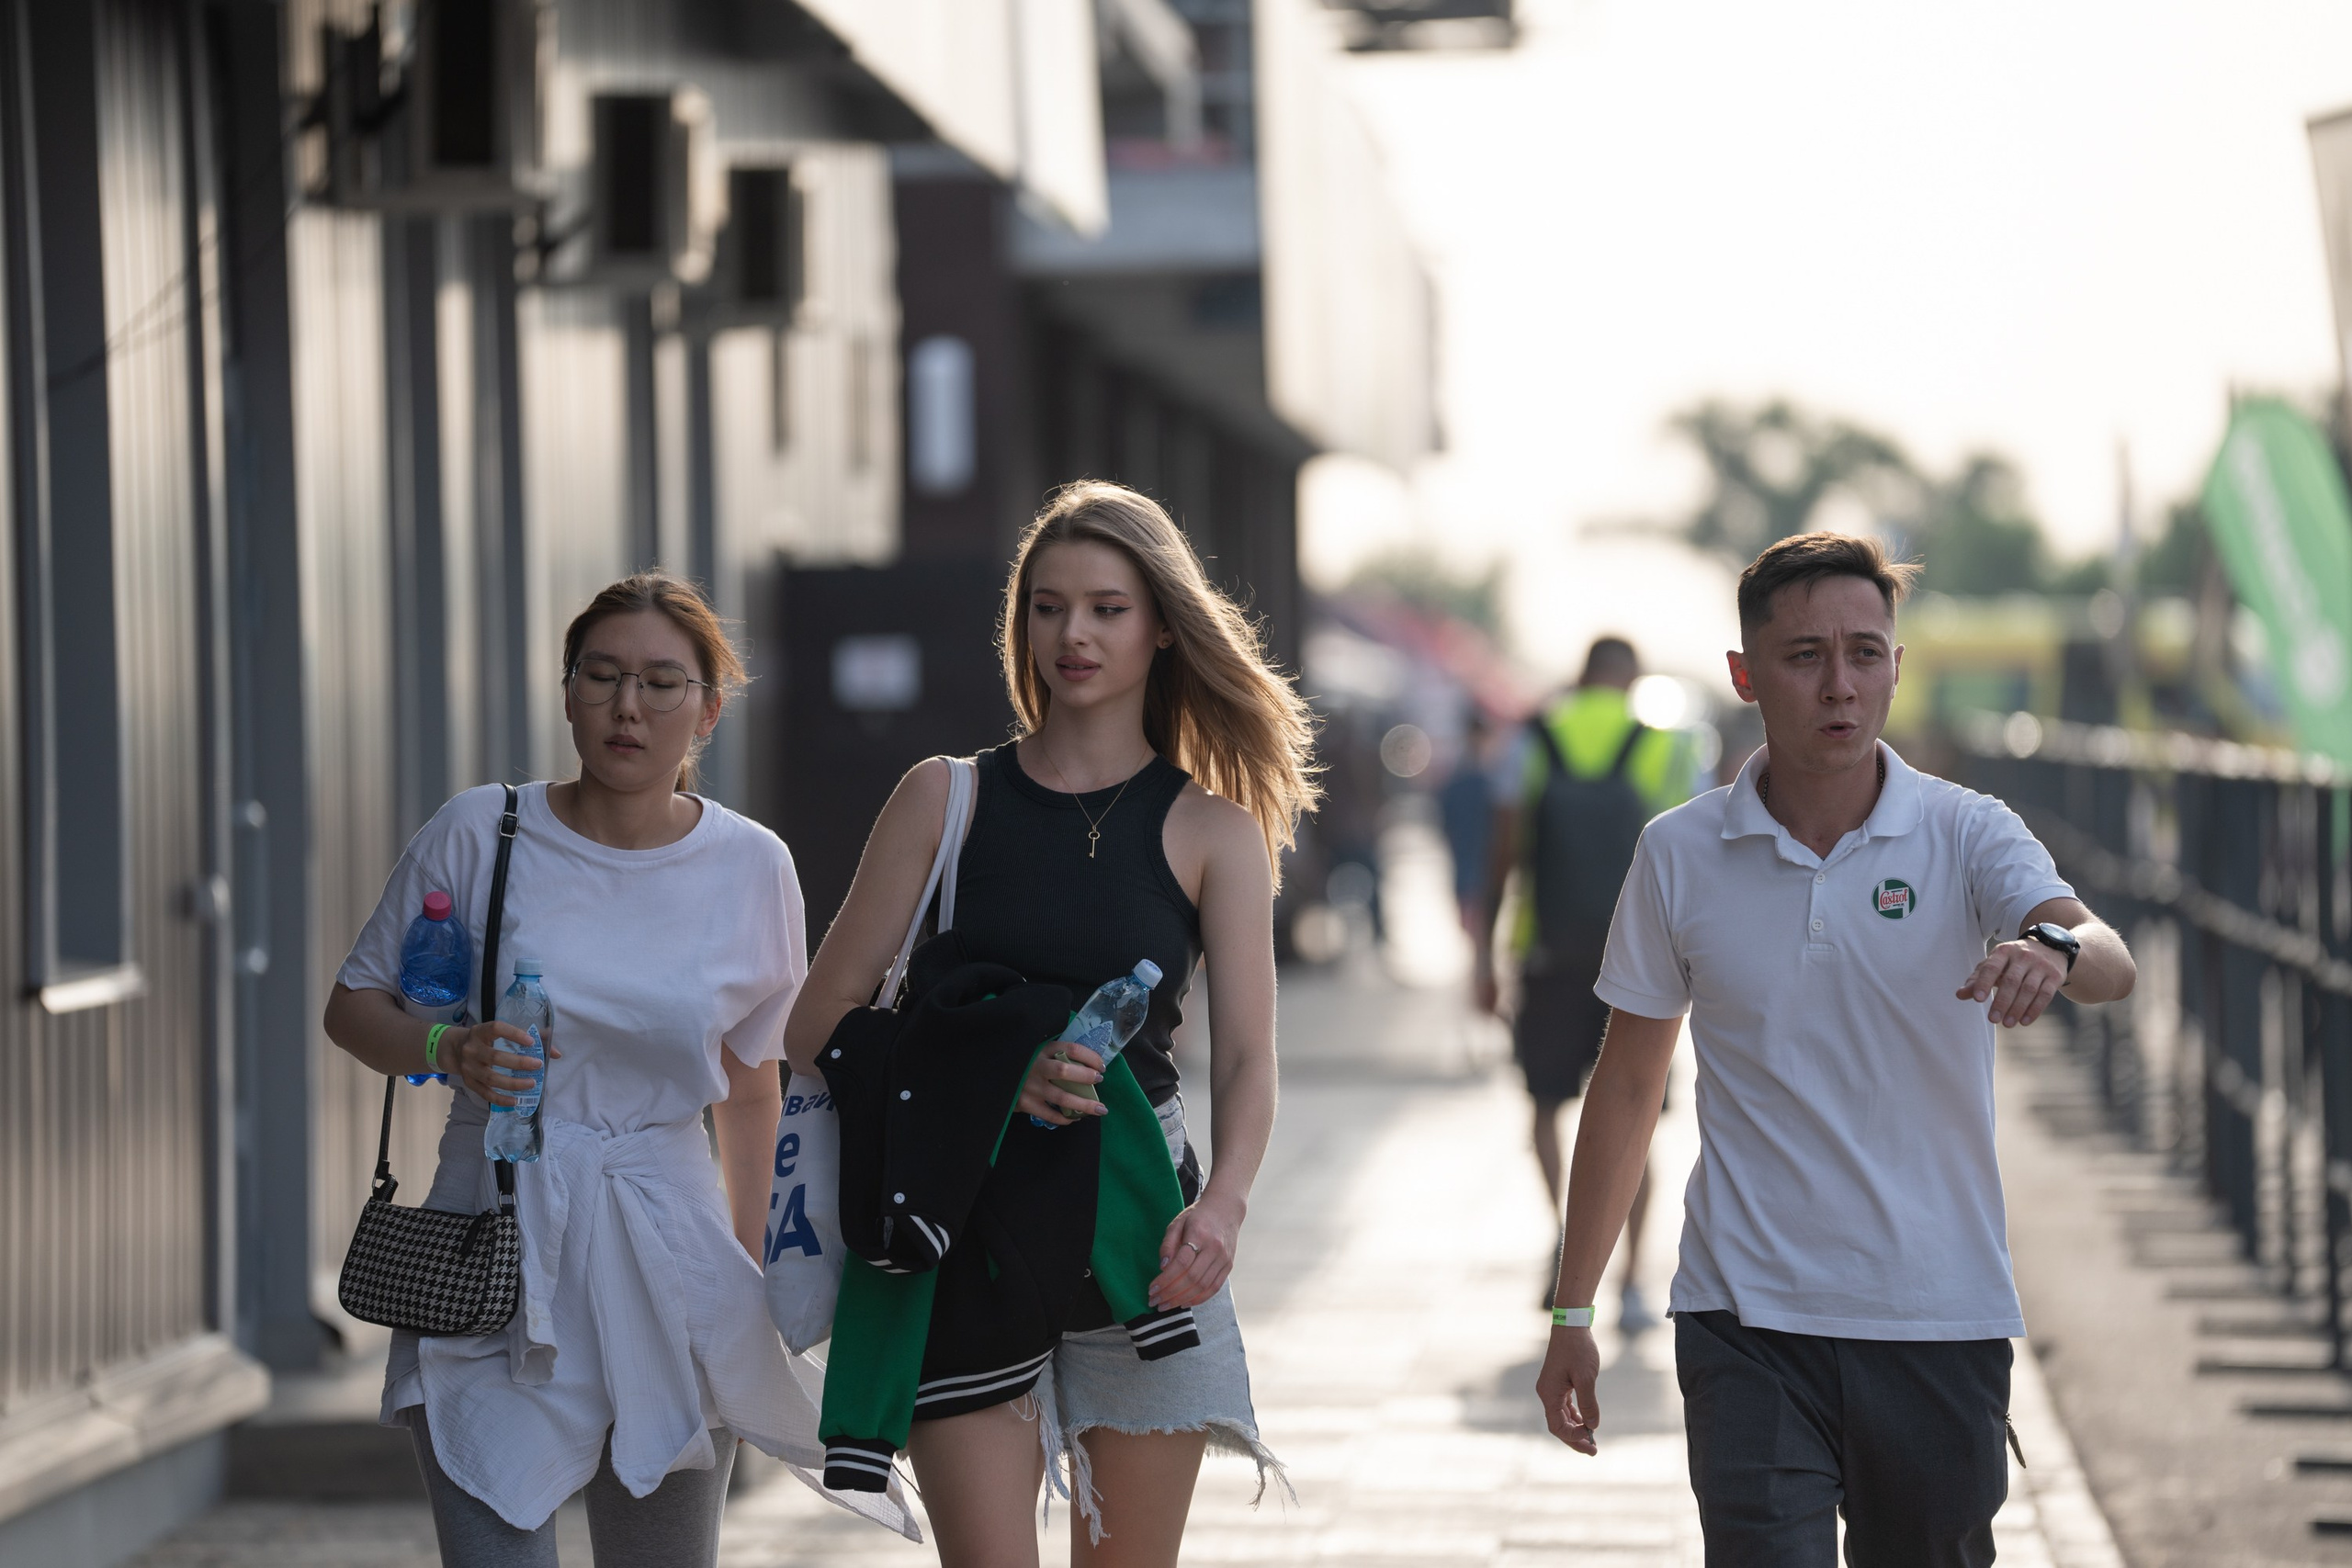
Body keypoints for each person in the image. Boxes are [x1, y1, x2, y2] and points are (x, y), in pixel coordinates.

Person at [1532, 533, 2137, 1565]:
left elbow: (2110, 958)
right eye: (1805, 655)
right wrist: (1572, 1307)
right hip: (1744, 1317)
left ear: (1896, 665)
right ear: (1745, 675)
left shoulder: (1964, 832)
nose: (1840, 685)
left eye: (1865, 652)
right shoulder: (1678, 853)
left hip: (1936, 1313)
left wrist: (2050, 945)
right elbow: (1628, 1087)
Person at [324, 573, 910, 1565]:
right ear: (566, 693)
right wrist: (446, 1047)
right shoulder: (481, 832)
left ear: (708, 712)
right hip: (495, 1236)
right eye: (601, 676)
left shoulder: (751, 866)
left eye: (660, 683)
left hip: (669, 1242)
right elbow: (354, 1007)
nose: (626, 706)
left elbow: (754, 1084)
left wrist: (753, 1266)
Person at [785, 480, 1313, 1568]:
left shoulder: (1213, 830)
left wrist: (1221, 1208)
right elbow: (814, 1022)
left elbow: (1253, 1057)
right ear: (1019, 622)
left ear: (1163, 626)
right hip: (960, 1228)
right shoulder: (943, 799)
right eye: (1048, 606)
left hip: (1139, 1235)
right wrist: (994, 1076)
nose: (1074, 634)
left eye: (1108, 608)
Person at [1474, 637, 1698, 1330]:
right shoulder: (1663, 742)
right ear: (1631, 679)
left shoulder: (1533, 740)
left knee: (1545, 1103)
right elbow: (1690, 859)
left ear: (1581, 676)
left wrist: (1482, 955)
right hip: (1637, 960)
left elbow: (1505, 851)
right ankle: (1629, 1277)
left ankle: (1568, 1231)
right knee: (1640, 1119)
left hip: (1547, 953)